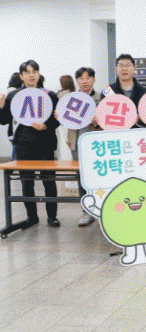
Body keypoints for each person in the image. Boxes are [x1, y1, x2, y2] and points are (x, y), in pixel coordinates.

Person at [0, 60, 61, 228]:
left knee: (49, 181)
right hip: (23, 144)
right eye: (27, 72)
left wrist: (46, 125)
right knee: (27, 182)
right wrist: (1, 107)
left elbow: (57, 119)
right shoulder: (14, 96)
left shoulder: (50, 95)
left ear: (39, 74)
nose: (31, 75)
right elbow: (4, 120)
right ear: (21, 76)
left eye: (34, 71)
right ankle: (32, 217)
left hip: (45, 143)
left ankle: (52, 216)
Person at [66, 67, 102, 227]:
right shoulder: (70, 99)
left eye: (88, 77)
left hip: (96, 145)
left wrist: (97, 122)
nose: (85, 81)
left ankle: (101, 209)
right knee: (81, 178)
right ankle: (86, 212)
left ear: (94, 79)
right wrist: (60, 117)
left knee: (99, 176)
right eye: (81, 78)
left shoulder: (101, 98)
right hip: (76, 144)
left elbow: (107, 122)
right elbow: (65, 121)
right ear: (77, 81)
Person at [101, 54, 146, 127]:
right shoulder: (107, 92)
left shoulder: (144, 93)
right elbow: (103, 117)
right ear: (116, 68)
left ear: (134, 69)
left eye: (128, 65)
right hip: (115, 132)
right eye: (121, 65)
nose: (124, 69)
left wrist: (139, 119)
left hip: (137, 133)